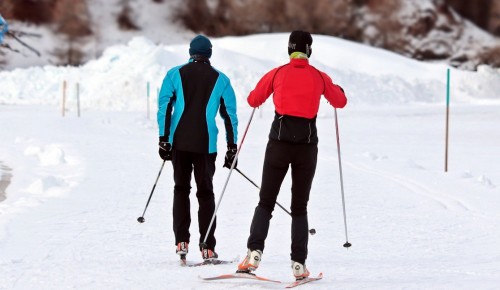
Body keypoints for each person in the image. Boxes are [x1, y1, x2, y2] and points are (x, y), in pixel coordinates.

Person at [237, 30, 347, 280]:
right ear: (309, 50)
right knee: (299, 207)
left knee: (266, 200)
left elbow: (253, 100)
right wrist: (337, 89)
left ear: (289, 50)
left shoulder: (277, 73)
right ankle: (299, 264)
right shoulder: (319, 77)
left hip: (278, 145)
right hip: (307, 149)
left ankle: (254, 253)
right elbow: (340, 102)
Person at [157, 34, 238, 262]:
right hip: (206, 144)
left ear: (191, 52)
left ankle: (181, 241)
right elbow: (229, 116)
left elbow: (165, 108)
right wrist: (232, 147)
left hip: (179, 143)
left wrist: (164, 139)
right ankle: (207, 247)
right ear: (209, 53)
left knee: (181, 189)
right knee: (205, 193)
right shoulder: (221, 79)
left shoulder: (174, 74)